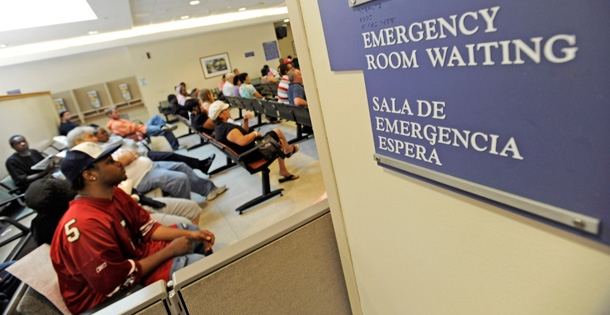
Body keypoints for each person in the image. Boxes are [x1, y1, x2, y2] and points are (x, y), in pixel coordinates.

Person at [51, 142, 215, 314]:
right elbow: (116, 282)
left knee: (195, 238)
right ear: (90, 175)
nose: (119, 163)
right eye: (109, 162)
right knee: (196, 266)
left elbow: (148, 228)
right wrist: (171, 251)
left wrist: (191, 233)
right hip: (105, 300)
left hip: (131, 259)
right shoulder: (85, 224)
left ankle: (202, 302)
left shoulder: (113, 193)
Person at [67, 126, 225, 200]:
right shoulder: (82, 160)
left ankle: (209, 190)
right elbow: (121, 158)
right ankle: (186, 207)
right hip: (140, 178)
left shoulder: (95, 150)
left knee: (181, 166)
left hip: (148, 165)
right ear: (79, 142)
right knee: (179, 178)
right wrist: (126, 155)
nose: (95, 138)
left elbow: (127, 154)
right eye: (90, 136)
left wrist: (127, 155)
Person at [209, 101, 299, 183]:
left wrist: (245, 120)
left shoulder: (220, 127)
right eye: (226, 109)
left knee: (279, 141)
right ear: (220, 115)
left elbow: (243, 132)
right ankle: (289, 150)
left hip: (249, 150)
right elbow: (243, 141)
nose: (229, 110)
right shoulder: (228, 129)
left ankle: (284, 168)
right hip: (254, 152)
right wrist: (255, 134)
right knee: (277, 132)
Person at [71, 126, 216, 175]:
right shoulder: (100, 149)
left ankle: (200, 164)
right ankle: (201, 165)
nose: (97, 138)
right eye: (93, 136)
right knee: (172, 156)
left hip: (141, 153)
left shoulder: (106, 142)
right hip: (143, 157)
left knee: (173, 156)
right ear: (79, 142)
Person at [105, 107, 181, 150]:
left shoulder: (118, 120)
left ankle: (163, 126)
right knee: (165, 131)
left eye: (117, 112)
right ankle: (175, 146)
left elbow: (132, 125)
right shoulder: (115, 124)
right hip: (139, 132)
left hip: (140, 127)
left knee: (156, 117)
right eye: (115, 113)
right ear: (110, 115)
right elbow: (132, 128)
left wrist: (134, 125)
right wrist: (134, 125)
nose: (118, 114)